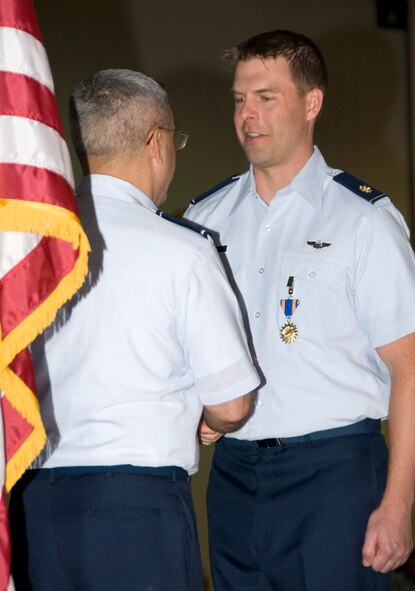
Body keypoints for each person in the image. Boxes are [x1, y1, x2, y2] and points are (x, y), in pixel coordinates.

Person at [185, 30, 415, 591]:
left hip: (335, 474)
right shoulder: (205, 219)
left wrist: (398, 503)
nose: (248, 115)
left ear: (312, 103)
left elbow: (411, 371)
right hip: (236, 475)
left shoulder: (364, 220)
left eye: (266, 97)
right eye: (240, 100)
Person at [8, 69, 260, 591]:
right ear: (156, 142)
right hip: (134, 511)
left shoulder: (27, 249)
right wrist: (209, 417)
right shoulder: (182, 251)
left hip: (34, 506)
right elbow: (232, 404)